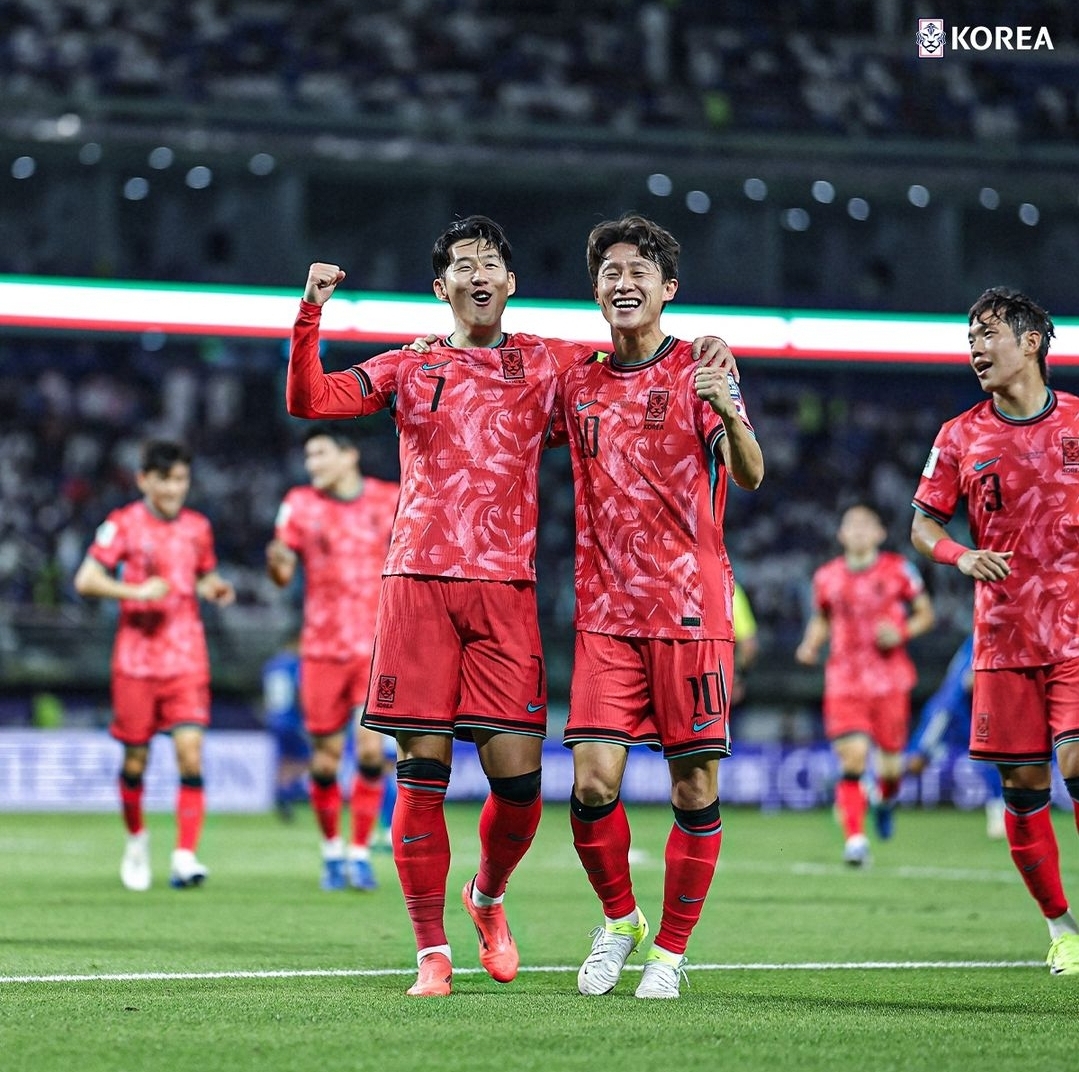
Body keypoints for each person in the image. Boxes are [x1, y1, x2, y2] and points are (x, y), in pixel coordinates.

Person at [290, 216, 730, 995]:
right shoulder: (407, 366)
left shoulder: (545, 362)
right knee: (419, 770)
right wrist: (310, 313)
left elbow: (632, 362)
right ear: (442, 288)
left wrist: (708, 353)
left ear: (511, 282)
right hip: (416, 584)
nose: (478, 274)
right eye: (463, 265)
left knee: (520, 788)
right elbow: (313, 399)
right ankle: (431, 953)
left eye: (491, 262)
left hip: (507, 590)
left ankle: (487, 896)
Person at [557, 214, 761, 999]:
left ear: (667, 290)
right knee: (591, 785)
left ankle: (669, 954)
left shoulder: (700, 372)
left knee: (693, 790)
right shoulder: (576, 380)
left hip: (690, 612)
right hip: (607, 612)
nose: (623, 281)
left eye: (639, 270)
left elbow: (750, 475)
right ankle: (619, 921)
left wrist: (729, 406)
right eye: (609, 270)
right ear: (596, 288)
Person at [911, 285, 1079, 976]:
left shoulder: (1075, 422)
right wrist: (958, 554)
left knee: (1076, 764)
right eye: (968, 338)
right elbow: (923, 524)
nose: (975, 349)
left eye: (987, 335)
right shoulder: (958, 435)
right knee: (1023, 787)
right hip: (1002, 639)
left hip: (1073, 632)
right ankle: (1060, 927)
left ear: (1030, 341)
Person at [73, 439, 235, 891]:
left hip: (186, 658)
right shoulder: (121, 524)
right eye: (165, 479)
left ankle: (185, 855)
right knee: (136, 761)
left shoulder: (198, 527)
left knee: (190, 751)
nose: (174, 488)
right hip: (136, 662)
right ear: (145, 479)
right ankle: (137, 839)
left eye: (181, 479)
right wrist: (135, 593)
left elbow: (202, 572)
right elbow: (86, 579)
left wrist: (214, 587)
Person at [267, 425, 399, 891]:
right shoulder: (301, 504)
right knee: (324, 761)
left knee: (369, 750)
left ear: (349, 456)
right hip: (320, 649)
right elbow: (282, 570)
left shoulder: (390, 499)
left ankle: (360, 853)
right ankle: (330, 853)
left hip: (376, 647)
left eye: (320, 454)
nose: (313, 465)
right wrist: (279, 562)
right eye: (308, 458)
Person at [796, 503, 935, 866]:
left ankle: (886, 799)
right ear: (841, 534)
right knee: (853, 756)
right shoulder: (827, 576)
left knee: (890, 768)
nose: (857, 531)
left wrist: (902, 631)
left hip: (890, 680)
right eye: (851, 525)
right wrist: (811, 643)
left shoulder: (898, 570)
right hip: (844, 678)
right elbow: (823, 617)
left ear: (879, 533)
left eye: (865, 525)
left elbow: (926, 613)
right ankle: (855, 840)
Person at [905, 634, 1005, 839]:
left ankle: (998, 813)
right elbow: (969, 680)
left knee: (992, 759)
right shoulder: (985, 638)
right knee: (915, 763)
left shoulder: (988, 636)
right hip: (948, 714)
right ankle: (870, 789)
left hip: (971, 711)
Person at [260, 637, 312, 822]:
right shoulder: (296, 664)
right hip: (292, 719)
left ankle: (282, 793)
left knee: (285, 760)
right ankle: (286, 792)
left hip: (275, 719)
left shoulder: (271, 665)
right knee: (308, 758)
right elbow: (300, 691)